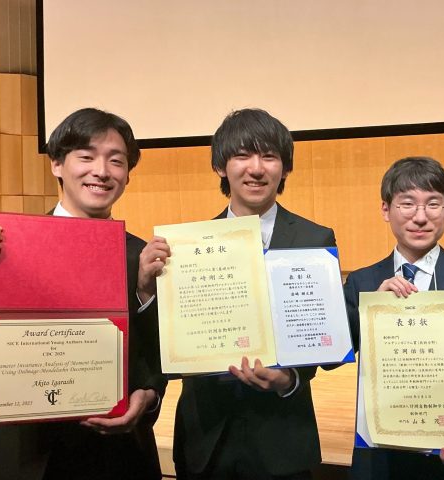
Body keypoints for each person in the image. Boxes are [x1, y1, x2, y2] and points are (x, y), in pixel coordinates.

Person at [0, 108, 167, 480]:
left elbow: (156, 361)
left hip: (113, 458)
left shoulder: (145, 259)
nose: (101, 171)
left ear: (127, 175)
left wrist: (149, 396)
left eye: (116, 161)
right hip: (18, 457)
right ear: (57, 164)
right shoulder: (6, 247)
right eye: (86, 157)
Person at [139, 108, 336, 479]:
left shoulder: (315, 238)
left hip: (282, 437)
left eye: (269, 156)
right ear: (221, 166)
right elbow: (163, 341)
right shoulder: (187, 247)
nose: (256, 168)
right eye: (243, 155)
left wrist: (290, 379)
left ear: (285, 168)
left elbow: (321, 339)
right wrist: (146, 289)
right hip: (205, 438)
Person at [342, 156, 444, 480]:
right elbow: (339, 351)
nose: (421, 217)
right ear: (386, 210)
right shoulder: (362, 282)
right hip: (380, 455)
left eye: (433, 204)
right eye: (407, 203)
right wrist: (373, 310)